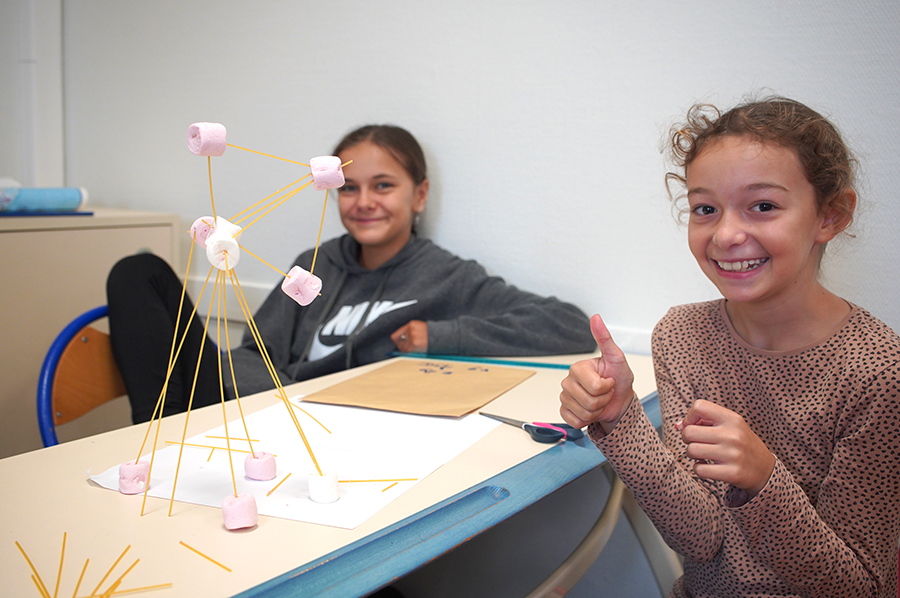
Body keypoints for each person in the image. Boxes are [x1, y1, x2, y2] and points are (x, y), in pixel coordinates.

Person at [559, 97, 900, 596]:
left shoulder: (878, 371)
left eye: (763, 206)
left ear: (830, 215)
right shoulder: (682, 337)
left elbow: (855, 587)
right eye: (705, 209)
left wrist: (764, 479)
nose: (726, 234)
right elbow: (698, 537)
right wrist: (618, 418)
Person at [108, 124, 596, 424]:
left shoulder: (447, 277)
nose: (363, 202)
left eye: (383, 185)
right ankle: (157, 430)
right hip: (260, 405)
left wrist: (439, 334)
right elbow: (256, 354)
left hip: (337, 426)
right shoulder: (314, 262)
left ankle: (166, 434)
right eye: (348, 188)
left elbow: (567, 325)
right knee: (139, 271)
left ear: (419, 195)